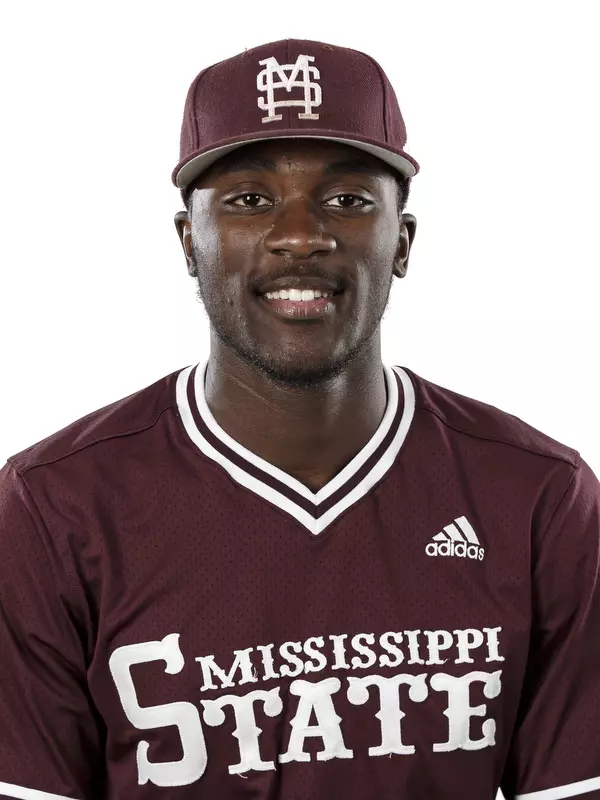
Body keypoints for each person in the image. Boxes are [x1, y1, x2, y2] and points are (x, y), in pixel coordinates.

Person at [0, 37, 598, 800]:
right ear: (190, 242)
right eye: (249, 200)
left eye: (347, 200)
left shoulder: (539, 495)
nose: (300, 234)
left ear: (403, 242)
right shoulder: (54, 506)